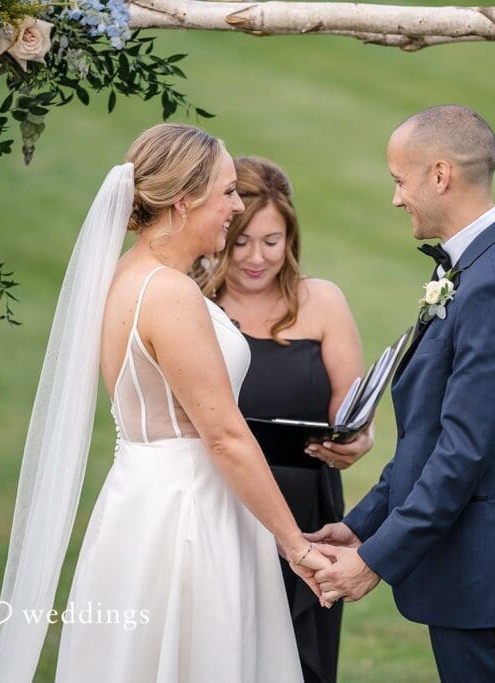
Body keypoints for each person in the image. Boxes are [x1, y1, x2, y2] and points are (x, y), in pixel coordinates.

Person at [0, 123, 332, 683]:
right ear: (183, 201)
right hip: (189, 514)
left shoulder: (130, 273)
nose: (236, 205)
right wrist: (295, 546)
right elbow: (223, 434)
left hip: (143, 499)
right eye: (226, 192)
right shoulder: (167, 293)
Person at [309, 105, 495, 682]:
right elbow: (429, 434)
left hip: (484, 573)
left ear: (440, 175)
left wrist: (373, 560)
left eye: (400, 180)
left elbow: (461, 454)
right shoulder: (475, 270)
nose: (396, 198)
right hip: (465, 568)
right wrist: (362, 523)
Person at [199, 156, 373, 683]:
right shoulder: (194, 303)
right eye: (243, 242)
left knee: (303, 659)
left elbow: (354, 411)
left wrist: (358, 440)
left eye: (271, 242)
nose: (256, 258)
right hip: (219, 501)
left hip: (308, 508)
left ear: (290, 238)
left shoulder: (322, 303)